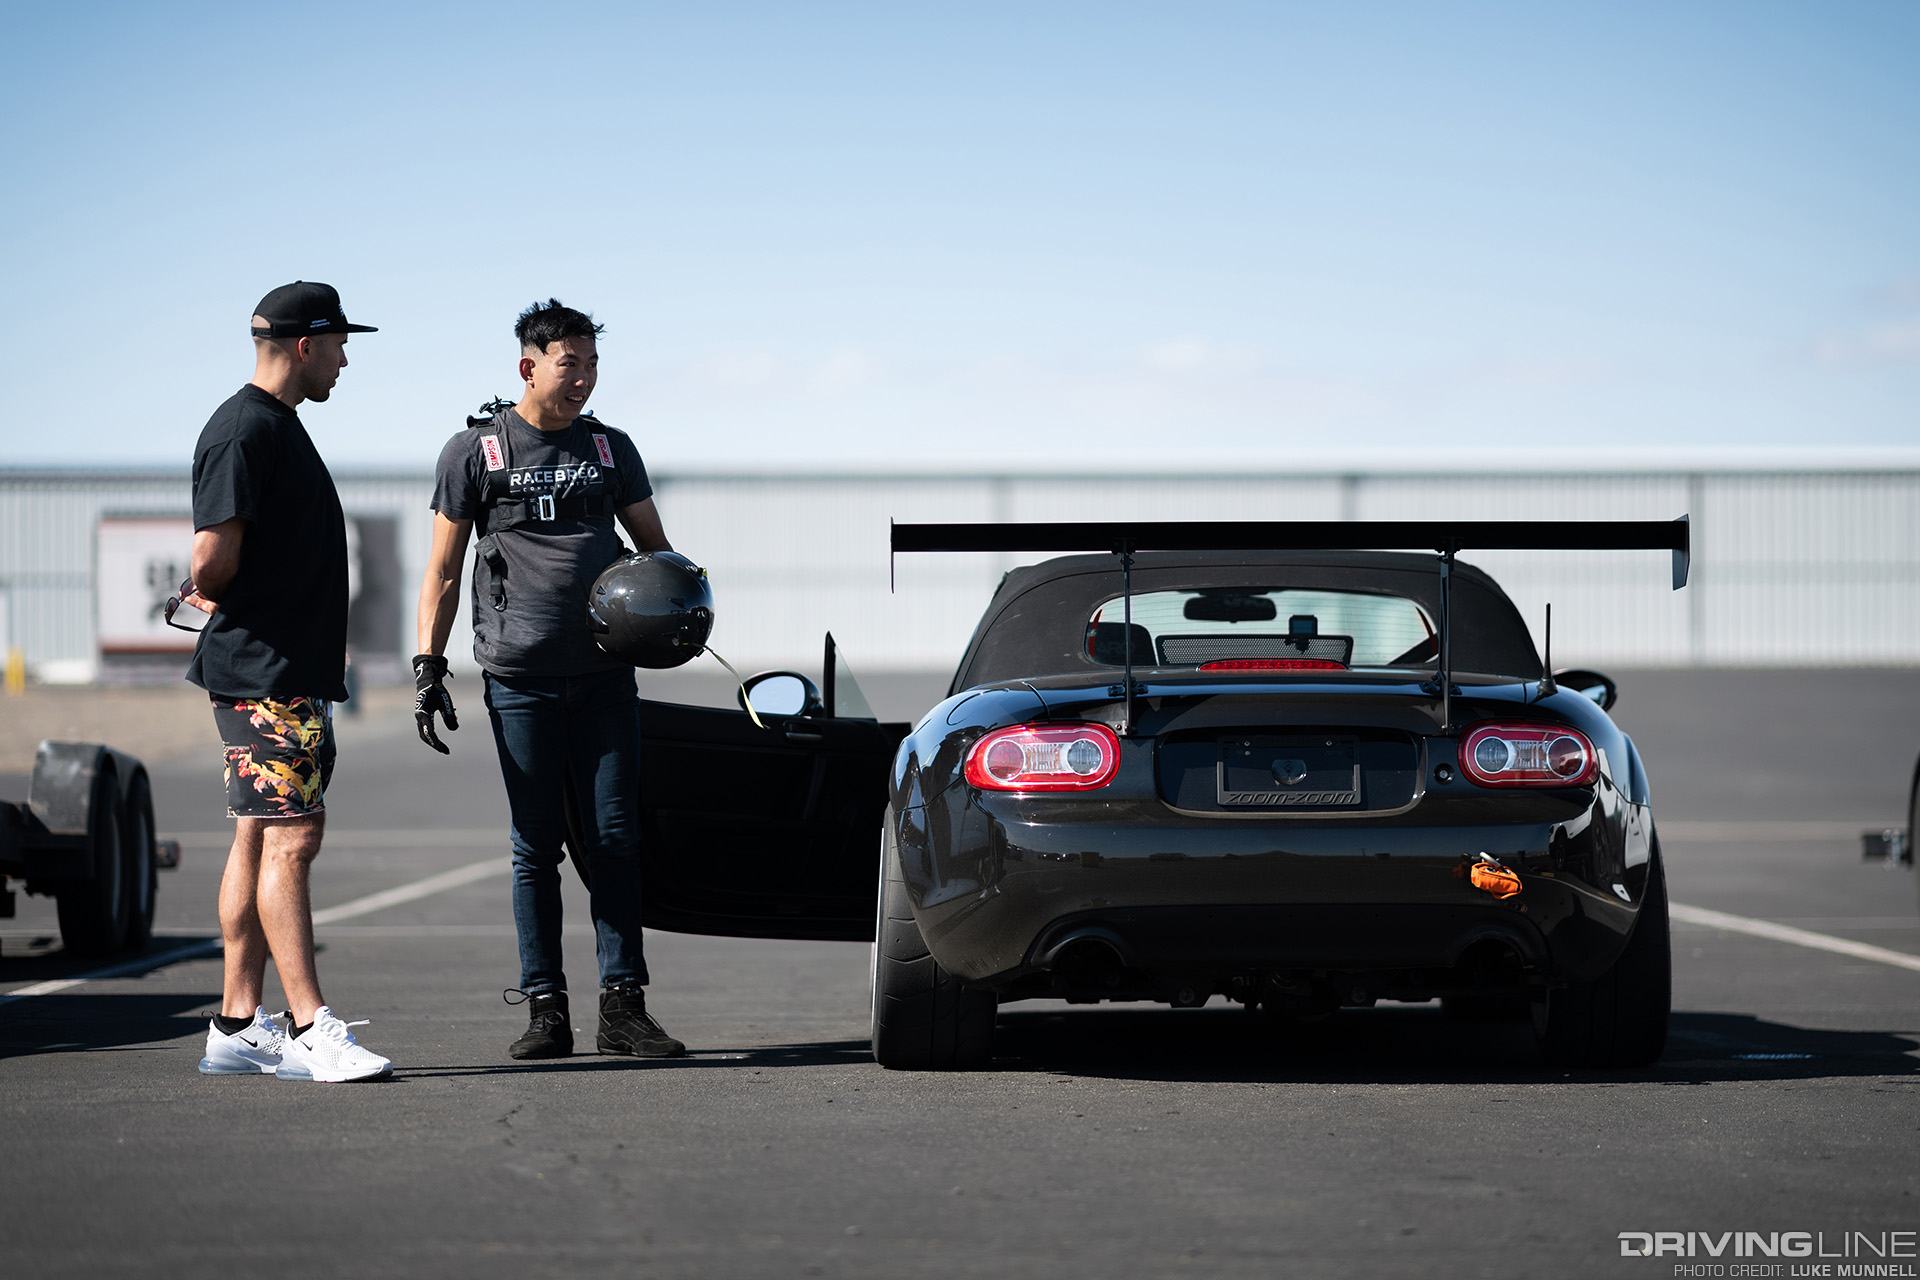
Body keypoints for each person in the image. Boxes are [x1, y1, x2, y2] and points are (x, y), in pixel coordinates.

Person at [413, 298, 684, 1061]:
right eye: (572, 364)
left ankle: (624, 1008)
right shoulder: (476, 453)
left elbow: (656, 552)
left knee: (616, 839)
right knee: (535, 847)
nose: (585, 379)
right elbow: (440, 568)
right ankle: (546, 1011)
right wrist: (428, 666)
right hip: (520, 678)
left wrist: (680, 610)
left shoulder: (609, 450)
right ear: (529, 366)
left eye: (593, 364)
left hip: (603, 679)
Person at [189, 281, 393, 1083]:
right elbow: (211, 557)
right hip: (263, 672)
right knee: (292, 837)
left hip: (282, 672)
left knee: (257, 831)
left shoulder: (273, 427)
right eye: (340, 343)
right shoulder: (245, 431)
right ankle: (311, 1030)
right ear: (305, 344)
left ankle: (238, 1026)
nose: (345, 359)